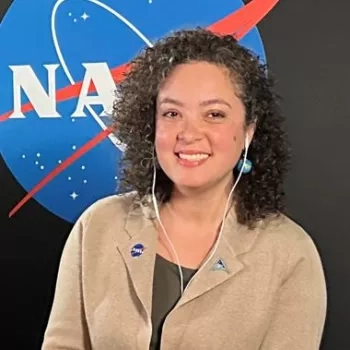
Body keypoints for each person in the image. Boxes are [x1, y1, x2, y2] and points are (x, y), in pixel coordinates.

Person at [42, 28, 327, 350]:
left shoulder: (289, 253)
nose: (189, 133)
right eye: (172, 113)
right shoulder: (98, 225)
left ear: (248, 131)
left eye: (214, 114)